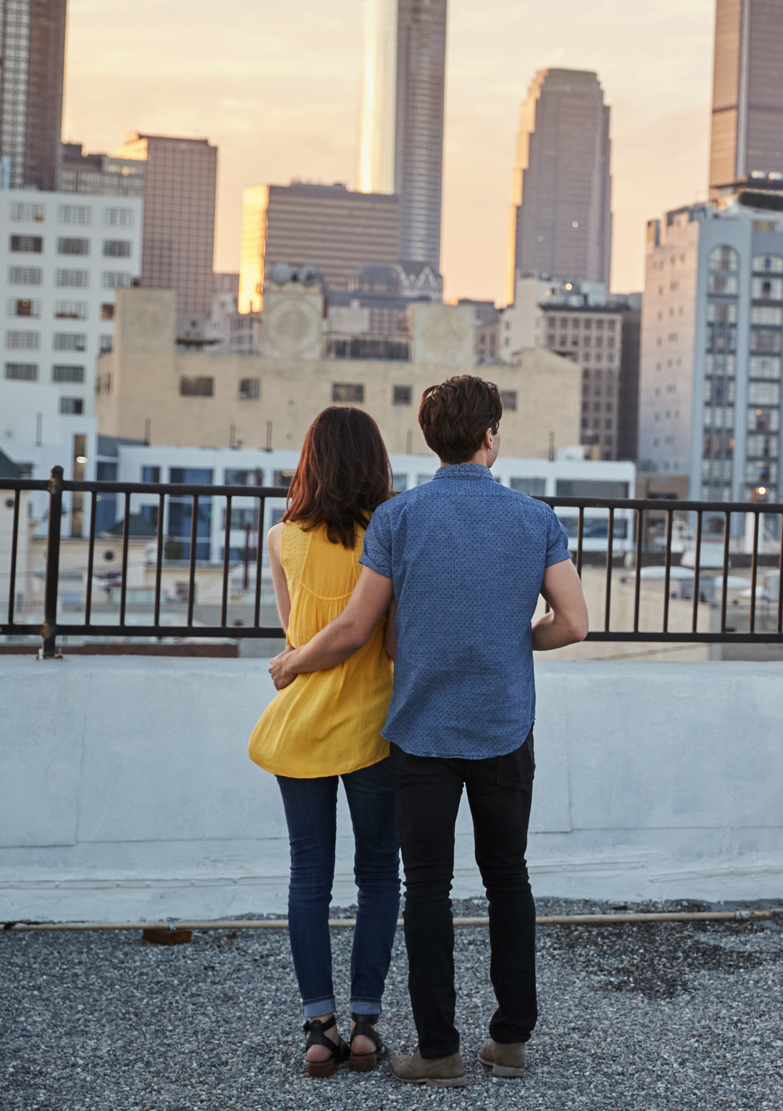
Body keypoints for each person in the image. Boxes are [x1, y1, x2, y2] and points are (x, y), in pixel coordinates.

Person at [277, 374, 591, 1086]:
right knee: (507, 878)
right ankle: (510, 1041)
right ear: (489, 436)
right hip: (504, 726)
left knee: (426, 887)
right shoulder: (534, 517)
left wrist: (295, 661)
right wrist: (516, 641)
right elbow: (573, 623)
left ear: (430, 439)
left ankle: (439, 1051)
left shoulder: (398, 519)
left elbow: (359, 628)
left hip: (420, 730)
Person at [249, 406, 399, 1078]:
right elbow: (388, 639)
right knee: (377, 875)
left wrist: (296, 661)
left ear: (310, 459)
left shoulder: (282, 537)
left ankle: (319, 1027)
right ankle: (366, 1023)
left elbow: (294, 641)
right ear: (375, 461)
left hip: (302, 725)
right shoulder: (389, 533)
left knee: (308, 877)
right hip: (374, 726)